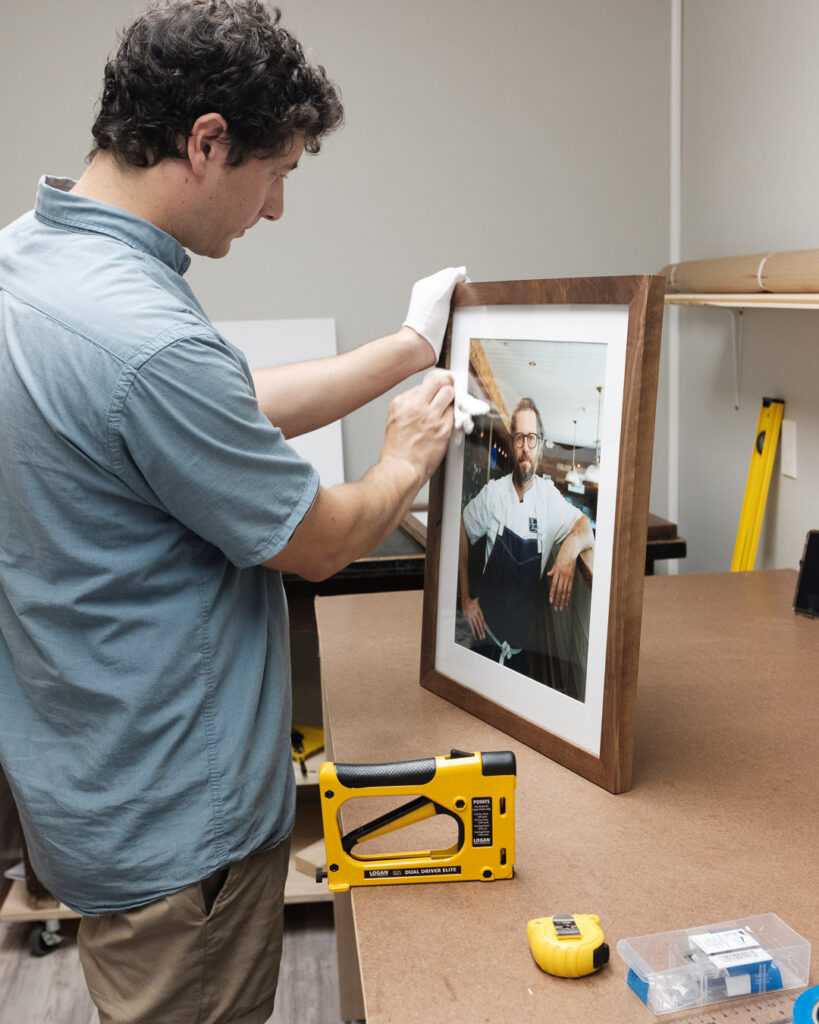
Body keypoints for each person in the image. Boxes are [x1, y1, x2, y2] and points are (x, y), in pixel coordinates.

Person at [0, 3, 464, 1022]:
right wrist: (405, 457)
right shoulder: (148, 342)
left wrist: (404, 349)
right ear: (207, 141)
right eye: (280, 172)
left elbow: (209, 409)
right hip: (182, 832)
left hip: (90, 780)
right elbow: (326, 540)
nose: (277, 208)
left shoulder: (32, 263)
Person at [458, 397, 594, 673]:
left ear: (540, 445)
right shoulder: (493, 494)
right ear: (512, 443)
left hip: (519, 652)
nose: (525, 448)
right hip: (483, 641)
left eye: (531, 438)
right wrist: (465, 599)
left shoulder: (548, 499)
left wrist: (569, 552)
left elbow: (584, 528)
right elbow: (460, 530)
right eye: (519, 438)